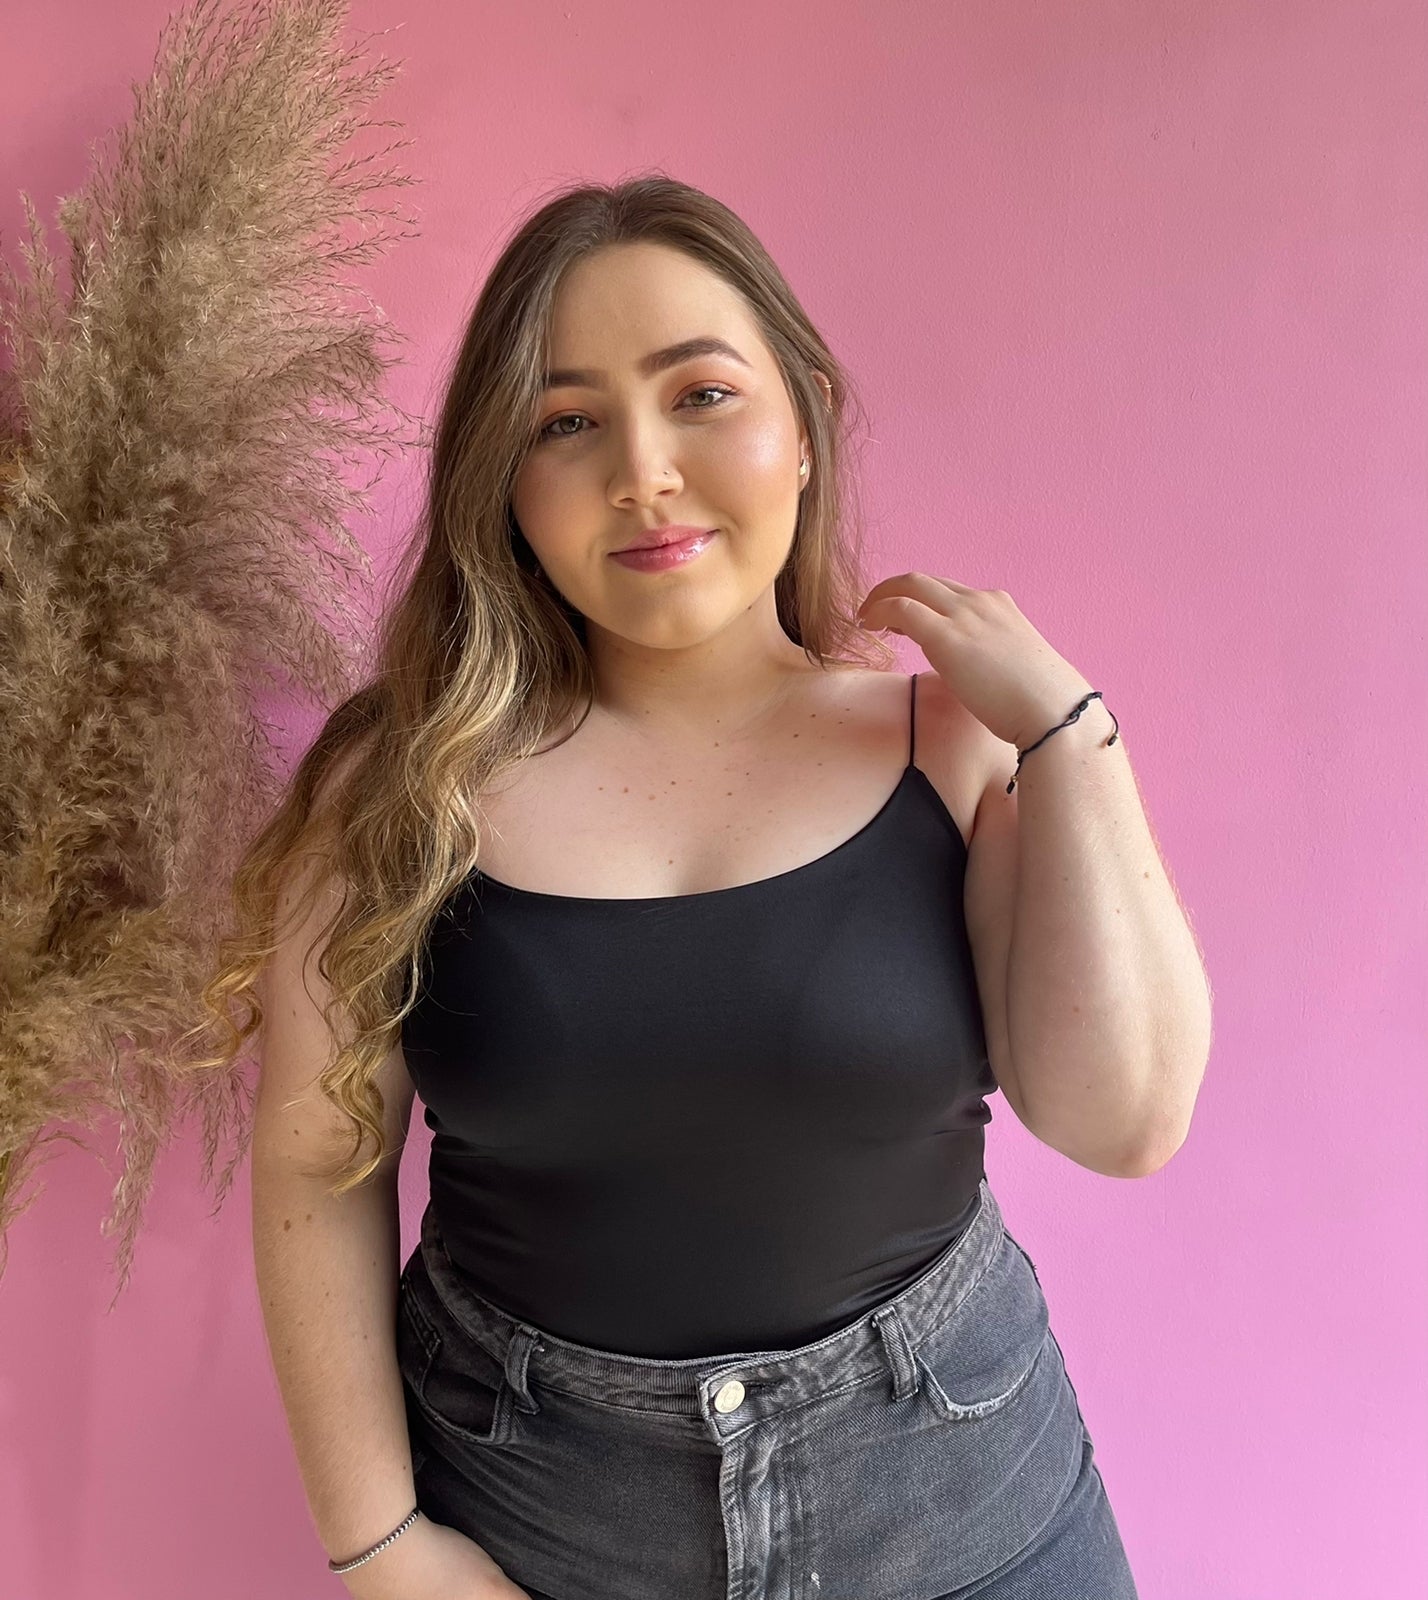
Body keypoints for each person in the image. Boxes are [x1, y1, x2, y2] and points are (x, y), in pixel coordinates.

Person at [233, 175, 1141, 1599]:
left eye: (701, 395)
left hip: (966, 1515)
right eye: (567, 422)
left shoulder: (952, 748)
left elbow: (1122, 1118)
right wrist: (383, 1547)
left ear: (806, 420)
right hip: (542, 1529)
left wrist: (1072, 737)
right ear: (504, 481)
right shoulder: (397, 791)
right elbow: (314, 1160)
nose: (642, 473)